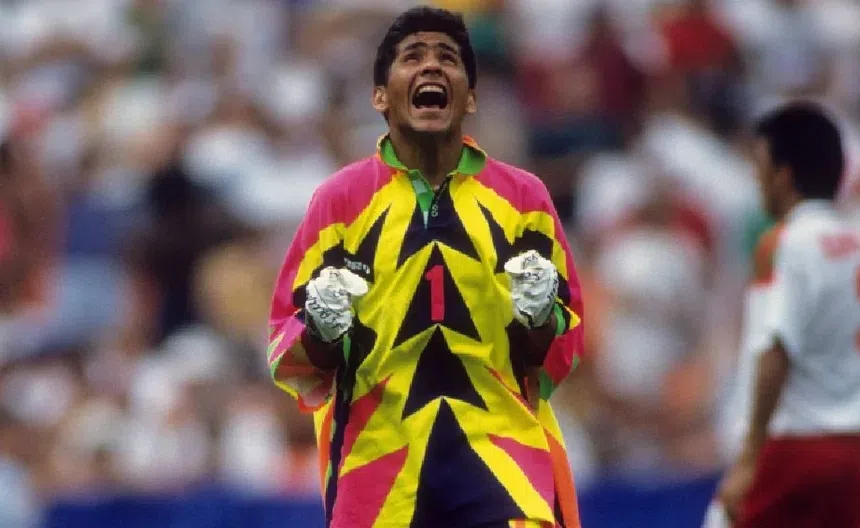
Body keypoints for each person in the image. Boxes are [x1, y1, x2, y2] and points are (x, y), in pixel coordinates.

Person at [267, 6, 584, 528]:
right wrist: (320, 330)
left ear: (471, 97)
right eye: (413, 56)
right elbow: (291, 354)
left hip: (504, 470)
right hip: (377, 478)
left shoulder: (524, 198)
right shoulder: (339, 201)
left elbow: (558, 355)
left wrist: (540, 318)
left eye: (448, 58)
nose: (432, 66)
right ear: (380, 96)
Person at [714, 101, 860, 527]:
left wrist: (749, 458)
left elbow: (775, 349)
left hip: (797, 447)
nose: (755, 178)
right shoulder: (854, 242)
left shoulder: (786, 243)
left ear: (784, 175)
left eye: (759, 165)